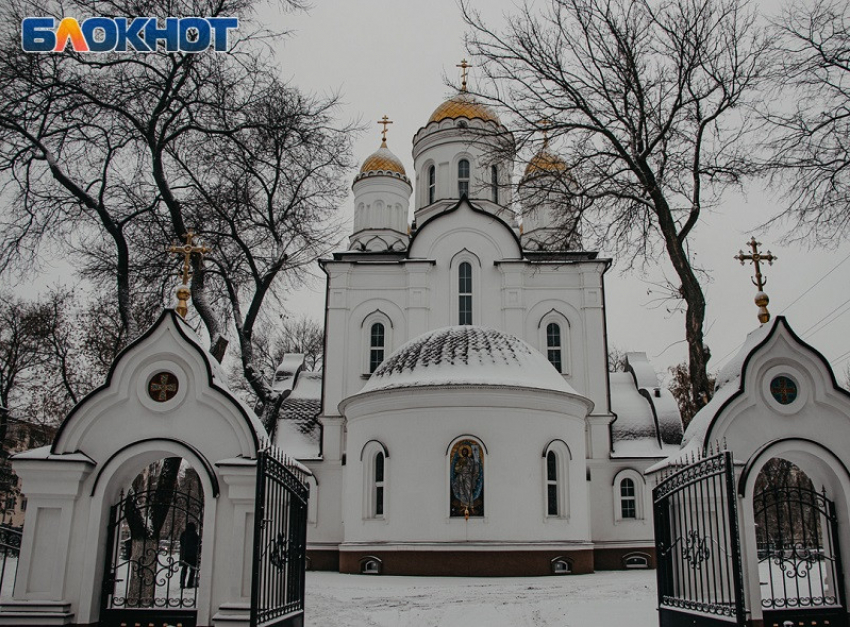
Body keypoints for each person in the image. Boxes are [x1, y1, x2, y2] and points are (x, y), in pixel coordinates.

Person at [178, 522, 200, 589]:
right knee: (192, 570)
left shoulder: (184, 534)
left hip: (185, 554)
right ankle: (189, 584)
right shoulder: (194, 535)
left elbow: (181, 542)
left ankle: (182, 583)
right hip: (193, 554)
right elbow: (198, 542)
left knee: (184, 569)